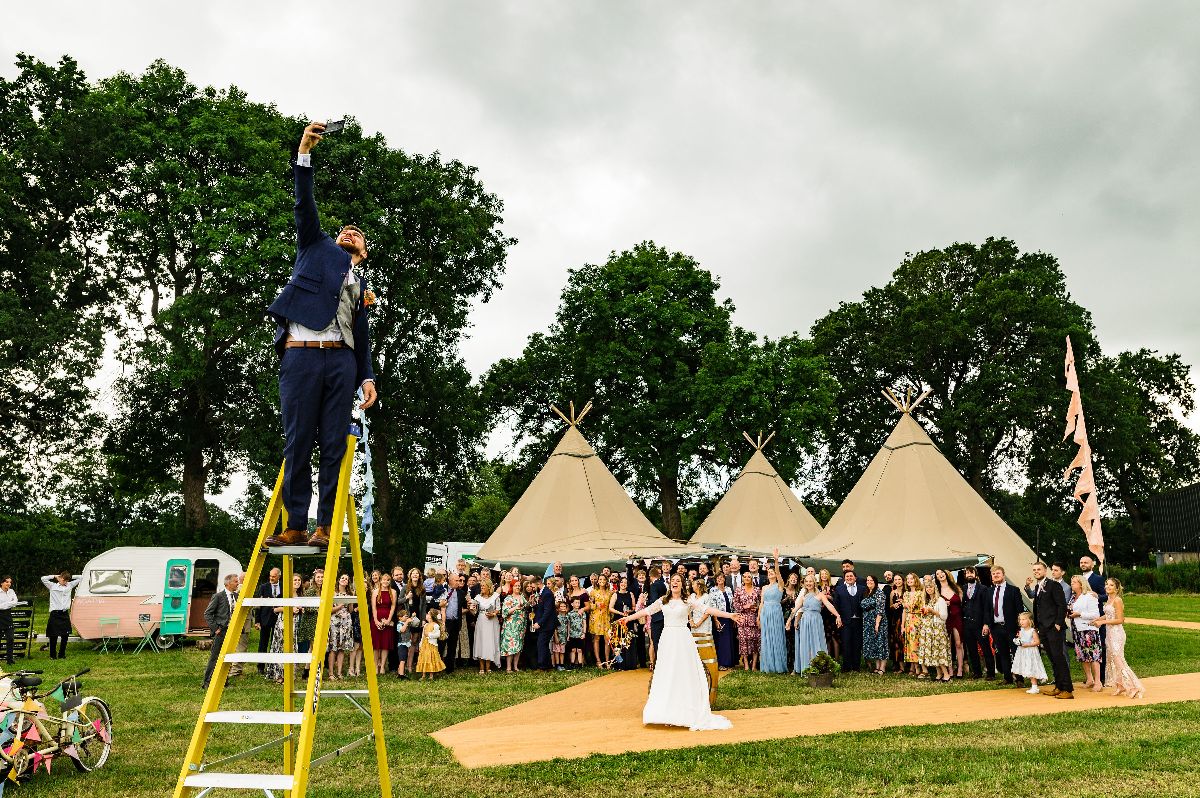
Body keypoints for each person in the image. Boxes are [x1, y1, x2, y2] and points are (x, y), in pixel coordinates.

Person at [262, 121, 378, 550]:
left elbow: (363, 339)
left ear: (363, 252)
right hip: (301, 355)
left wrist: (367, 377)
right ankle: (295, 523)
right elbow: (304, 203)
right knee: (298, 441)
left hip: (341, 361)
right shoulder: (315, 247)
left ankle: (326, 526)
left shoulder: (361, 284)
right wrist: (304, 153)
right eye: (346, 231)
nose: (350, 232)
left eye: (358, 235)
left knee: (333, 445)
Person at [618, 574, 736, 731]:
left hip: (683, 639)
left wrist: (729, 615)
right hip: (668, 639)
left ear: (682, 584)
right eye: (673, 581)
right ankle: (665, 712)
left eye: (678, 581)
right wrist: (628, 619)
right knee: (667, 673)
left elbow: (707, 609)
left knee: (683, 673)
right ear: (669, 584)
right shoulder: (663, 601)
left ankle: (685, 712)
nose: (675, 583)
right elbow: (646, 611)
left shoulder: (688, 600)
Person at [1092, 577, 1145, 699]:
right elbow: (1109, 614)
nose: (1107, 587)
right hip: (1109, 634)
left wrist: (1102, 623)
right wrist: (1098, 619)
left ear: (1116, 588)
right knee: (1112, 661)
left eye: (1111, 585)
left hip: (1117, 634)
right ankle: (1120, 685)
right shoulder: (1109, 599)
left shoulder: (1117, 600)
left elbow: (1120, 620)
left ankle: (1134, 687)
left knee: (1119, 661)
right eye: (1106, 584)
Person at [1030, 562, 1072, 699]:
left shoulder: (1054, 585)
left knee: (1059, 657)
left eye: (1039, 569)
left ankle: (1067, 689)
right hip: (1043, 628)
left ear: (1045, 570)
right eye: (1034, 570)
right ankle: (1058, 687)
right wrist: (1036, 626)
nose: (1036, 571)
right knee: (1053, 658)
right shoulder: (1037, 586)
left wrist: (1058, 624)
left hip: (1054, 628)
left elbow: (1062, 606)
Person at [787, 573, 841, 675]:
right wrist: (789, 621)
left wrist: (837, 615)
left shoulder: (820, 595)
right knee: (806, 644)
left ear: (814, 582)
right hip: (805, 621)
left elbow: (829, 605)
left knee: (817, 642)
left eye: (810, 581)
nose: (808, 583)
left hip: (816, 621)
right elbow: (795, 610)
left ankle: (819, 667)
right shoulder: (803, 597)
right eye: (806, 581)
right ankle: (807, 668)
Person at [983, 566, 1023, 685]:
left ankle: (1020, 679)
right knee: (1002, 653)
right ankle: (1007, 678)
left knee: (1016, 653)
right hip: (996, 627)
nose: (995, 575)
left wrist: (1020, 628)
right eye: (993, 574)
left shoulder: (1014, 590)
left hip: (1011, 627)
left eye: (998, 573)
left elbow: (1019, 610)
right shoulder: (989, 591)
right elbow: (987, 610)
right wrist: (986, 624)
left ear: (1003, 574)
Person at [202, 573, 240, 689]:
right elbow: (207, 614)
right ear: (228, 583)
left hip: (232, 632)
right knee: (215, 657)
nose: (237, 583)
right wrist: (216, 629)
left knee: (227, 657)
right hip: (221, 631)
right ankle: (207, 682)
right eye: (235, 581)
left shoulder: (237, 596)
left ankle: (224, 682)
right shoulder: (218, 596)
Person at [264, 573, 303, 684]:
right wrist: (289, 608)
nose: (297, 582)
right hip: (283, 623)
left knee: (292, 647)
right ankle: (279, 675)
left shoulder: (300, 595)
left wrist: (300, 610)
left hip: (294, 624)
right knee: (281, 647)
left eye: (299, 580)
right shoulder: (284, 594)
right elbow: (275, 609)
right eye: (295, 580)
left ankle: (289, 675)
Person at [1068, 574, 1102, 693]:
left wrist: (1079, 614)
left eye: (1074, 582)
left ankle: (1098, 681)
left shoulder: (1089, 596)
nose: (1072, 584)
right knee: (1082, 655)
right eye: (1071, 582)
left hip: (1089, 630)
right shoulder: (1073, 597)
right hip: (1077, 630)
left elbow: (1096, 615)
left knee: (1093, 656)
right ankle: (1089, 679)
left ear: (1081, 584)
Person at [959, 566, 994, 679]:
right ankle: (977, 672)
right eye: (967, 573)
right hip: (967, 624)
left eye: (971, 573)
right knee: (972, 650)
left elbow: (987, 608)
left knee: (986, 649)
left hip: (980, 624)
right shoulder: (963, 588)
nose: (969, 575)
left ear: (975, 575)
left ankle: (991, 673)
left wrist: (986, 624)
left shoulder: (983, 589)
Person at [1079, 554, 1109, 682]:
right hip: (1081, 619)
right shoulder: (1078, 579)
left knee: (1099, 646)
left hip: (1096, 618)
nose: (1083, 564)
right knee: (1086, 648)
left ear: (1092, 564)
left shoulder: (1098, 579)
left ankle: (1101, 677)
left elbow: (1106, 595)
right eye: (1081, 562)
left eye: (1086, 562)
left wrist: (1098, 596)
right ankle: (1089, 678)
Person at [758, 550, 788, 674]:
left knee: (776, 637)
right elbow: (761, 603)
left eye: (772, 572)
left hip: (775, 612)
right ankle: (768, 665)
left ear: (775, 574)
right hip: (765, 612)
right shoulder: (764, 588)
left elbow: (778, 573)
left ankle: (778, 665)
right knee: (767, 638)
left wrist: (775, 561)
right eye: (769, 572)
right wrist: (758, 617)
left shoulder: (780, 585)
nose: (771, 573)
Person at [917, 578, 952, 681]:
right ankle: (939, 673)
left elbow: (944, 616)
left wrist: (932, 611)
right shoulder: (926, 601)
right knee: (932, 652)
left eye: (931, 587)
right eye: (927, 587)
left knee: (939, 651)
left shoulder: (940, 600)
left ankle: (946, 674)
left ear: (935, 588)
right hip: (927, 629)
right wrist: (924, 612)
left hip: (937, 629)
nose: (929, 589)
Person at [41, 571, 80, 660]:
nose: (65, 582)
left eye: (66, 580)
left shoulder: (70, 585)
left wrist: (70, 576)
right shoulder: (52, 586)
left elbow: (81, 578)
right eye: (63, 580)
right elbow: (43, 578)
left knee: (65, 636)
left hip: (64, 614)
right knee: (53, 636)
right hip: (55, 614)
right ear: (60, 578)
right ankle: (52, 655)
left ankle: (62, 654)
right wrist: (55, 576)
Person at [832, 570, 865, 672]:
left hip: (859, 620)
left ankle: (856, 666)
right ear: (844, 578)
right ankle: (846, 666)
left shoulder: (862, 589)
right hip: (845, 621)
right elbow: (836, 604)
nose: (849, 578)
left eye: (851, 576)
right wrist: (838, 617)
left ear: (855, 578)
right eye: (847, 576)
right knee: (846, 643)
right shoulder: (839, 589)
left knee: (857, 644)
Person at [252, 568, 283, 674]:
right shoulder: (263, 587)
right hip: (265, 618)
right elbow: (258, 605)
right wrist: (257, 621)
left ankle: (273, 665)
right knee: (263, 643)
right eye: (270, 576)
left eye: (274, 576)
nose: (271, 578)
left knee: (276, 642)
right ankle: (261, 666)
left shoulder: (284, 586)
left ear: (279, 576)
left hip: (279, 618)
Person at [934, 569, 965, 677]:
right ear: (936, 578)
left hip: (957, 617)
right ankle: (950, 669)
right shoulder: (937, 590)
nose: (940, 575)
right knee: (947, 645)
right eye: (937, 574)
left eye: (941, 572)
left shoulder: (956, 588)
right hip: (945, 619)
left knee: (958, 644)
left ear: (946, 574)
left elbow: (962, 603)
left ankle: (960, 669)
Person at [1010, 611, 1047, 694]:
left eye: (1024, 619)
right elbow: (1020, 639)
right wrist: (1017, 641)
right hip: (1023, 652)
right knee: (1027, 667)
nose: (1021, 621)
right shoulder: (1021, 630)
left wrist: (1028, 644)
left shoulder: (1032, 631)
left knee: (1031, 667)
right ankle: (1033, 685)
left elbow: (1037, 642)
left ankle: (1035, 687)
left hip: (1031, 652)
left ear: (1030, 620)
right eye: (1020, 619)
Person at [327, 573, 355, 680]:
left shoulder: (349, 593)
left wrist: (351, 602)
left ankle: (339, 673)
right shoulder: (333, 593)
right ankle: (330, 673)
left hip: (346, 622)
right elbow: (329, 610)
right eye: (342, 578)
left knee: (342, 648)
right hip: (334, 622)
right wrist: (340, 606)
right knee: (333, 648)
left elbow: (350, 610)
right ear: (339, 580)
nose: (344, 580)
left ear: (348, 582)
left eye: (346, 579)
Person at [472, 578, 502, 673]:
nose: (482, 588)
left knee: (490, 642)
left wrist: (493, 614)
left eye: (483, 586)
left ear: (489, 587)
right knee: (481, 641)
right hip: (481, 620)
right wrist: (471, 607)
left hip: (492, 621)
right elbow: (474, 611)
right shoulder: (478, 597)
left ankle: (488, 667)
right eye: (481, 586)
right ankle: (481, 667)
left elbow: (498, 609)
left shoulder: (495, 596)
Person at [610, 576, 640, 670]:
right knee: (619, 643)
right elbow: (610, 608)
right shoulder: (615, 594)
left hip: (628, 620)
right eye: (622, 582)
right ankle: (620, 665)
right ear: (619, 584)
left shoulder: (630, 594)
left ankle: (630, 664)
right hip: (618, 620)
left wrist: (629, 612)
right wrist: (620, 613)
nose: (623, 584)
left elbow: (634, 607)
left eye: (625, 582)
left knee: (629, 642)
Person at [860, 575, 889, 674]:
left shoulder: (879, 593)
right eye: (867, 580)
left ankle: (883, 667)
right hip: (868, 622)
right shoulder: (867, 592)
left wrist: (877, 624)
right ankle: (877, 666)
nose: (869, 582)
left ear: (875, 582)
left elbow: (880, 610)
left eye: (871, 580)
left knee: (881, 643)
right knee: (875, 644)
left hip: (878, 621)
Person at [709, 572, 737, 670]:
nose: (720, 579)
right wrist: (716, 620)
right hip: (720, 617)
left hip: (729, 616)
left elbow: (732, 604)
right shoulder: (712, 590)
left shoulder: (729, 589)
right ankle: (722, 663)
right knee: (721, 641)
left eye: (721, 577)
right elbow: (712, 606)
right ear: (716, 580)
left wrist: (733, 616)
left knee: (730, 640)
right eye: (718, 578)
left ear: (724, 579)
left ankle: (730, 663)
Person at [733, 572, 761, 671]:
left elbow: (761, 604)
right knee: (743, 641)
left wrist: (756, 608)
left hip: (754, 619)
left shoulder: (757, 590)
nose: (747, 578)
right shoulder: (738, 590)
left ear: (752, 578)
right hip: (742, 619)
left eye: (749, 577)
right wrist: (746, 606)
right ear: (742, 579)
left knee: (755, 641)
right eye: (745, 577)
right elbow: (735, 605)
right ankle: (745, 664)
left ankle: (753, 665)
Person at [370, 573, 396, 676]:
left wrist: (389, 620)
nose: (385, 582)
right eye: (384, 580)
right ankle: (375, 666)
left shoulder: (393, 592)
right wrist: (376, 621)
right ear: (380, 581)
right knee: (376, 645)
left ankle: (383, 666)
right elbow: (373, 607)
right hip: (376, 619)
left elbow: (393, 606)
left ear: (390, 581)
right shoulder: (375, 592)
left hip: (387, 619)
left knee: (385, 645)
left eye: (388, 580)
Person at [499, 578, 527, 673]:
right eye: (516, 586)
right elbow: (504, 613)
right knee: (510, 646)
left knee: (518, 646)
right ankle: (508, 667)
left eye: (519, 586)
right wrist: (515, 607)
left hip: (521, 625)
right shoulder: (508, 598)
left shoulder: (522, 597)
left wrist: (530, 602)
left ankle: (515, 666)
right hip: (511, 626)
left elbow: (525, 608)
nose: (518, 587)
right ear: (512, 587)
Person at [533, 576, 557, 671]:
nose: (532, 587)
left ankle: (542, 667)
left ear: (538, 583)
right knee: (544, 644)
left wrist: (539, 623)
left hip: (547, 624)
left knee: (541, 644)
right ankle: (548, 666)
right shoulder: (542, 592)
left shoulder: (547, 593)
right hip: (545, 624)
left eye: (533, 585)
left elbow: (547, 611)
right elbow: (541, 608)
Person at [901, 572, 923, 674]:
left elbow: (921, 608)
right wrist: (902, 625)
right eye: (908, 579)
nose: (909, 581)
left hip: (917, 619)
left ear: (916, 580)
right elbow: (904, 611)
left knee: (917, 644)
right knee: (910, 644)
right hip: (908, 621)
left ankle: (919, 668)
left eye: (911, 579)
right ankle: (913, 667)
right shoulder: (906, 594)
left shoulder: (920, 593)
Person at [589, 573, 613, 666]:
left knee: (607, 639)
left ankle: (607, 661)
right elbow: (589, 606)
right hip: (596, 617)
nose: (602, 581)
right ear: (597, 581)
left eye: (604, 579)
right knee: (596, 639)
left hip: (606, 617)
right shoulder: (593, 592)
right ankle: (598, 661)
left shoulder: (610, 592)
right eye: (600, 579)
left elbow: (611, 606)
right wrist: (596, 605)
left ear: (607, 581)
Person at [646, 566, 668, 666]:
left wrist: (646, 601)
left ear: (650, 576)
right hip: (665, 616)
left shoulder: (654, 586)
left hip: (657, 617)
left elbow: (655, 601)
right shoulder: (663, 584)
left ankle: (660, 664)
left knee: (657, 641)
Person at [416, 608, 446, 680]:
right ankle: (423, 675)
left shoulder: (435, 625)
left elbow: (437, 635)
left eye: (428, 614)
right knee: (424, 658)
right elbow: (423, 636)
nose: (426, 615)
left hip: (431, 645)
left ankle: (431, 675)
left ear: (431, 616)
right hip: (424, 645)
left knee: (431, 659)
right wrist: (420, 644)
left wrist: (429, 634)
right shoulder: (426, 625)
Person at [887, 573, 906, 672]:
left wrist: (904, 602)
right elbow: (890, 606)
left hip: (906, 619)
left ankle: (911, 666)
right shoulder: (892, 592)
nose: (897, 581)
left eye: (899, 579)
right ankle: (900, 666)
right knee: (897, 642)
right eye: (895, 580)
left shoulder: (907, 592)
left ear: (903, 580)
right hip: (895, 619)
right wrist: (893, 605)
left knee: (906, 642)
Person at [567, 595, 587, 669]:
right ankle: (572, 664)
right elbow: (569, 624)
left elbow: (584, 623)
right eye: (576, 603)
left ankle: (580, 664)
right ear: (572, 604)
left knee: (579, 650)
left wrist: (584, 633)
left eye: (579, 603)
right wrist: (568, 634)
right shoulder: (569, 614)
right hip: (572, 634)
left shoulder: (582, 613)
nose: (577, 604)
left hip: (580, 634)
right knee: (573, 649)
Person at [552, 600, 570, 670]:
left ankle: (562, 664)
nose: (563, 607)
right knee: (557, 651)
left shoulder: (567, 617)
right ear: (558, 608)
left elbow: (568, 626)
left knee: (562, 651)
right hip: (557, 636)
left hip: (564, 637)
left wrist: (568, 635)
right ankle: (557, 664)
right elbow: (555, 628)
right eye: (561, 606)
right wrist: (556, 636)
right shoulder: (557, 617)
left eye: (564, 606)